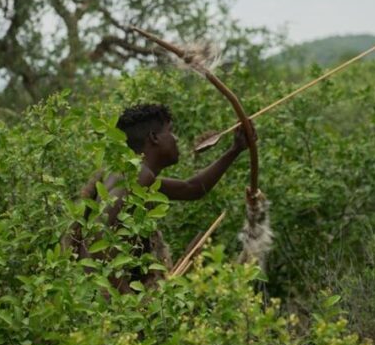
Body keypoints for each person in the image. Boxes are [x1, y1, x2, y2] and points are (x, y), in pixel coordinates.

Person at [61, 103, 254, 292]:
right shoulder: (138, 174)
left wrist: (235, 149)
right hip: (102, 299)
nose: (176, 138)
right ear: (154, 137)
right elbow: (97, 234)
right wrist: (127, 303)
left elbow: (192, 188)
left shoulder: (132, 172)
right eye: (170, 131)